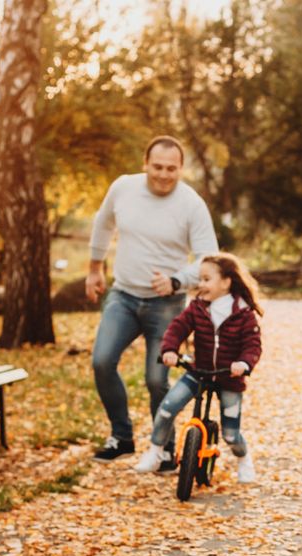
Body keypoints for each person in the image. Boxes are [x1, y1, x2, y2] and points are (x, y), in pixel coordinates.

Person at [86, 135, 219, 466]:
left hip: (167, 305)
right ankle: (121, 435)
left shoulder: (191, 204)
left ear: (181, 169)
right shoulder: (124, 188)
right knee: (102, 361)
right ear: (145, 163)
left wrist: (178, 281)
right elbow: (102, 225)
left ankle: (164, 449)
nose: (163, 174)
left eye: (171, 169)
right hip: (124, 296)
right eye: (157, 167)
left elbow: (209, 258)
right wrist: (94, 268)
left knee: (157, 379)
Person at [134, 253, 262, 483]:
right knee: (166, 408)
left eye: (206, 279)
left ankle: (244, 460)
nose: (201, 285)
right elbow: (178, 327)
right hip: (198, 372)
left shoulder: (244, 313)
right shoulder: (198, 307)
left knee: (231, 435)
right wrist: (170, 350)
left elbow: (252, 345)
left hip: (229, 377)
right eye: (200, 279)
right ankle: (156, 451)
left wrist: (243, 363)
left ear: (226, 282)